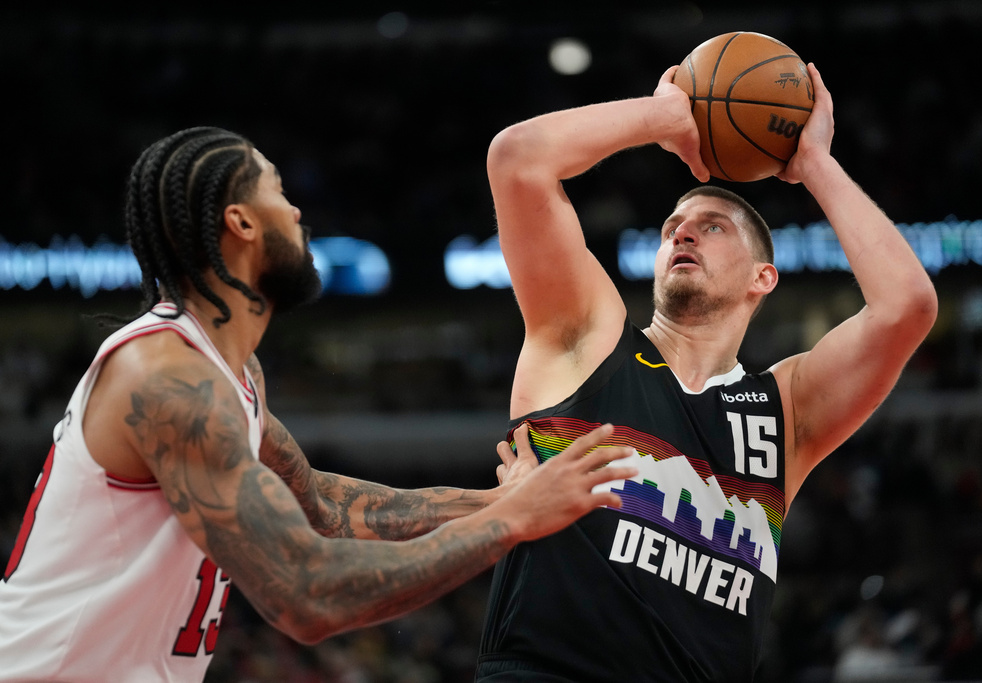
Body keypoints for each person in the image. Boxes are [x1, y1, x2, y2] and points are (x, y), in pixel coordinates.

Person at [0, 127, 638, 682]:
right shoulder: (166, 378)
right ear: (242, 222)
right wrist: (508, 523)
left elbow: (322, 508)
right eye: (278, 190)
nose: (298, 210)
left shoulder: (229, 372)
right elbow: (306, 595)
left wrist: (498, 501)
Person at [474, 62, 938, 682]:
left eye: (711, 226)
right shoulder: (588, 337)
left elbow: (906, 307)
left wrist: (814, 165)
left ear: (761, 278)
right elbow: (517, 161)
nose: (683, 232)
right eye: (672, 229)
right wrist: (659, 117)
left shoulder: (786, 412)